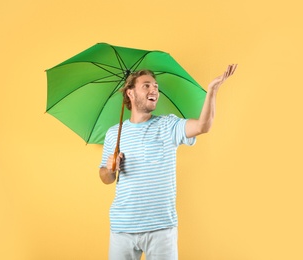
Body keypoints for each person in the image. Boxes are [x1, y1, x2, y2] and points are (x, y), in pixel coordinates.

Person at [99, 64, 237, 260]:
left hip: (161, 228)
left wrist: (212, 91)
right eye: (146, 85)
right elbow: (105, 177)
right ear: (130, 93)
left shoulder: (168, 125)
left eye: (155, 86)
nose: (154, 89)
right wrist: (111, 167)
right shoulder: (114, 134)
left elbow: (202, 126)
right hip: (123, 227)